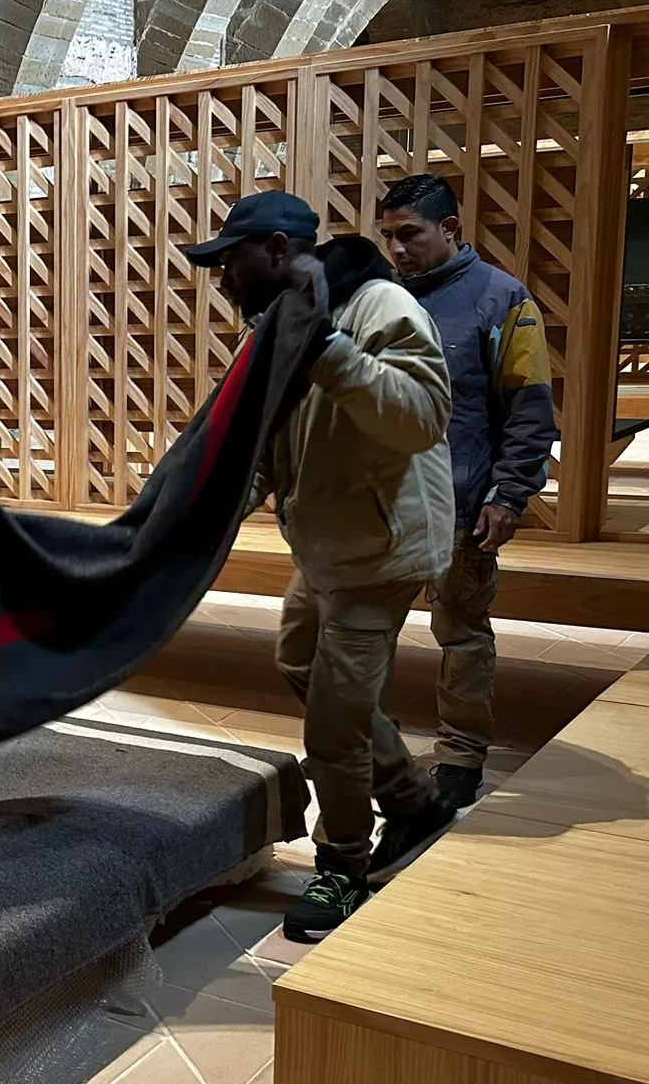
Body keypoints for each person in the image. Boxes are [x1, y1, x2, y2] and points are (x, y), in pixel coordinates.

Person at [190, 191, 460, 943]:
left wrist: (328, 352)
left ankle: (343, 863)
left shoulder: (379, 307)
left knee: (334, 724)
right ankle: (411, 797)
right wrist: (203, 513)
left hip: (380, 550)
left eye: (229, 262)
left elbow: (418, 416)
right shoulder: (275, 328)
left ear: (276, 250)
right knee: (298, 658)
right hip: (327, 543)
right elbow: (261, 443)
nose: (222, 279)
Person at [378, 173, 558, 811]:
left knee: (461, 634)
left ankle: (459, 756)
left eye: (411, 235)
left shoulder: (502, 299)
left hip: (460, 503)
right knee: (364, 633)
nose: (398, 249)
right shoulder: (380, 301)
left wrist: (509, 495)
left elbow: (531, 409)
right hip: (384, 508)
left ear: (450, 228)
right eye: (389, 237)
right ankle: (374, 748)